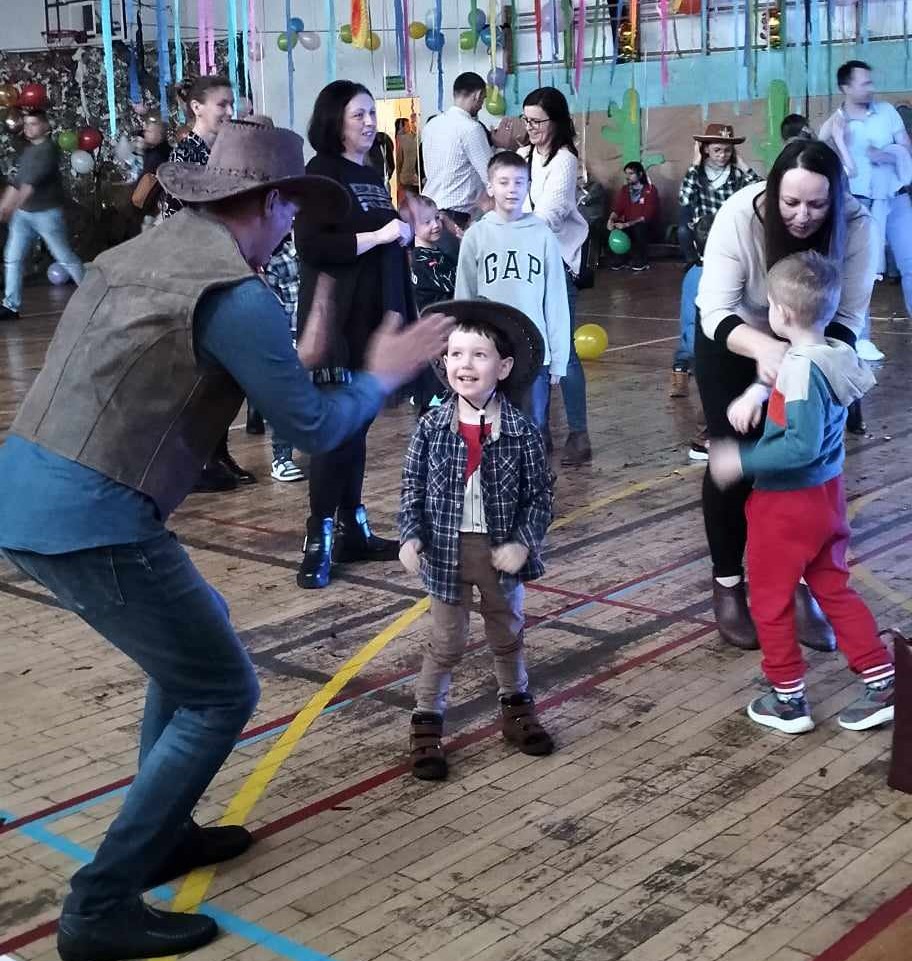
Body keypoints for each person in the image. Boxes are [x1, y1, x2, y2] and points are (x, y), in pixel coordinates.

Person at [0, 119, 451, 961]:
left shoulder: (141, 254)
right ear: (271, 203)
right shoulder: (234, 294)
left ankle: (164, 833)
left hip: (31, 486)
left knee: (192, 645)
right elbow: (313, 428)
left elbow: (254, 368)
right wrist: (383, 375)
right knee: (220, 690)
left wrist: (316, 325)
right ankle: (99, 904)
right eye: (292, 209)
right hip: (92, 515)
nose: (293, 225)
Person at [695, 138, 876, 652]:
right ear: (772, 193)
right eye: (790, 202)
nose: (802, 216)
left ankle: (799, 584)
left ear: (835, 199)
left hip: (814, 341)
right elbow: (715, 309)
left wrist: (797, 363)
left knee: (802, 466)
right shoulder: (740, 214)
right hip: (736, 335)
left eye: (817, 205)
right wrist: (763, 353)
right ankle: (728, 583)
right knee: (733, 456)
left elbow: (848, 317)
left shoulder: (857, 225)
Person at [708, 251, 900, 734]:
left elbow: (800, 446)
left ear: (782, 313)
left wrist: (742, 461)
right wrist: (757, 393)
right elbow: (794, 377)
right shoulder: (834, 352)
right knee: (833, 588)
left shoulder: (798, 369)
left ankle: (787, 698)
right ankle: (882, 680)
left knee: (770, 600)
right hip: (827, 499)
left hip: (785, 506)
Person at [399, 302, 554, 780]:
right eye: (456, 354)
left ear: (503, 368)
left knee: (507, 633)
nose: (465, 364)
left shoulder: (523, 432)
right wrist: (410, 535)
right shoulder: (430, 428)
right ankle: (427, 723)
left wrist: (523, 542)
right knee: (446, 642)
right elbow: (412, 487)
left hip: (499, 554)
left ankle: (517, 707)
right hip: (446, 553)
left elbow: (540, 496)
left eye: (479, 355)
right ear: (444, 362)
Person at [295, 80, 416, 590]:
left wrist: (404, 234)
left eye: (371, 113)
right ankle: (319, 536)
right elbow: (312, 245)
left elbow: (385, 243)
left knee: (358, 425)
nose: (369, 122)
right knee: (334, 430)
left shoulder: (369, 171)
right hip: (333, 323)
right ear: (334, 121)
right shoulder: (320, 172)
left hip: (370, 320)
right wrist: (381, 234)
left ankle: (353, 527)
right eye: (358, 115)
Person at [160, 75, 255, 493]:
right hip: (195, 268)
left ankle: (217, 451)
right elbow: (191, 215)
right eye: (221, 104)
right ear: (197, 108)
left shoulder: (225, 150)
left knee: (225, 368)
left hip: (224, 262)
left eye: (231, 104)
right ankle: (200, 458)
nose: (229, 111)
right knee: (203, 369)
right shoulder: (187, 153)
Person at [455, 151, 570, 437]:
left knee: (535, 426)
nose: (512, 189)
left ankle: (536, 467)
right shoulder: (476, 236)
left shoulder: (542, 235)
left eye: (519, 182)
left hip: (534, 351)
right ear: (490, 187)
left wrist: (559, 358)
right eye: (504, 182)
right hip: (489, 350)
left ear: (528, 186)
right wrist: (463, 352)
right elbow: (463, 299)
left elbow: (556, 300)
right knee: (490, 425)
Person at [820, 60, 912, 362]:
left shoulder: (887, 113)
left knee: (911, 264)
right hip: (859, 203)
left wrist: (887, 155)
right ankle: (860, 337)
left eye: (871, 82)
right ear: (846, 87)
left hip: (895, 199)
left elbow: (906, 147)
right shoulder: (834, 124)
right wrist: (840, 144)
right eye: (864, 83)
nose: (871, 88)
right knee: (863, 271)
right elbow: (823, 157)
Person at [520, 86, 593, 466]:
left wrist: (512, 226)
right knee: (533, 348)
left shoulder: (565, 160)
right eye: (526, 120)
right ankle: (539, 428)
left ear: (557, 122)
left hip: (558, 263)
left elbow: (551, 214)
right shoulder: (522, 156)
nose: (531, 128)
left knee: (563, 352)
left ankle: (578, 433)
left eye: (538, 121)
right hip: (526, 263)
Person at [671, 123, 762, 408]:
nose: (722, 155)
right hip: (704, 238)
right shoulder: (697, 175)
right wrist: (693, 164)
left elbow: (759, 189)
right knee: (693, 314)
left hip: (730, 239)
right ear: (705, 150)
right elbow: (684, 199)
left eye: (727, 150)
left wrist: (743, 164)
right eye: (717, 150)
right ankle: (681, 368)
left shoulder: (735, 175)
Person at [0, 108, 84, 320]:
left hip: (46, 214)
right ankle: (11, 305)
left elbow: (28, 186)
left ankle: (93, 294)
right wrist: (4, 207)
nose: (28, 128)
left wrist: (10, 208)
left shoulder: (48, 150)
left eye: (34, 124)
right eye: (26, 124)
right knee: (12, 258)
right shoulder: (29, 151)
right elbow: (16, 183)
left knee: (64, 257)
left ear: (45, 126)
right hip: (24, 215)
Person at [421, 72, 492, 258]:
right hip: (454, 220)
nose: (481, 105)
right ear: (477, 95)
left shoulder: (431, 125)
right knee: (457, 274)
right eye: (483, 99)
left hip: (427, 215)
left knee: (434, 272)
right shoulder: (471, 128)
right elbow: (490, 176)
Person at [408, 194, 456, 412]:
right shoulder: (421, 260)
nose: (435, 225)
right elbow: (453, 281)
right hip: (435, 337)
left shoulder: (437, 253)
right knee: (436, 401)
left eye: (437, 218)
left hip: (444, 334)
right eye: (426, 221)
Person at [606, 161, 661, 271]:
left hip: (645, 226)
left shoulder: (650, 190)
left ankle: (642, 260)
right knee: (610, 228)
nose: (627, 177)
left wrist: (627, 224)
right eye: (626, 174)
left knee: (639, 228)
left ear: (640, 174)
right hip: (628, 224)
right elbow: (618, 209)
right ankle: (619, 259)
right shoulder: (625, 190)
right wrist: (611, 220)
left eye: (631, 173)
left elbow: (646, 216)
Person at [395, 116, 419, 205]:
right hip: (413, 178)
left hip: (406, 177)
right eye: (407, 125)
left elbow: (399, 161)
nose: (409, 127)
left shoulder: (402, 139)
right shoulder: (404, 139)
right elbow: (399, 160)